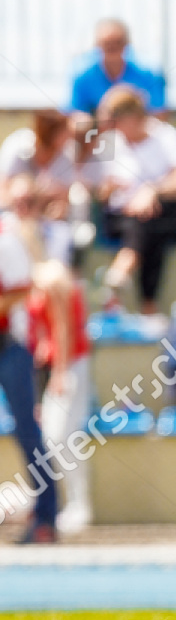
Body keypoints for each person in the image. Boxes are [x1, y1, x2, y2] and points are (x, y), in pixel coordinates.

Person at [94, 87, 176, 314]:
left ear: (133, 117)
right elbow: (101, 194)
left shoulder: (165, 136)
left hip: (161, 212)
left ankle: (120, 276)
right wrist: (110, 188)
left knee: (150, 219)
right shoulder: (109, 143)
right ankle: (148, 304)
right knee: (146, 222)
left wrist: (152, 191)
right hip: (123, 217)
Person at [0, 223, 58, 543]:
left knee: (27, 430)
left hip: (11, 346)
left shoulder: (6, 240)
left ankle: (46, 517)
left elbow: (22, 289)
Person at [26, 259, 92, 533]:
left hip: (69, 366)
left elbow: (63, 327)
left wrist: (61, 371)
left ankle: (79, 505)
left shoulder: (52, 277)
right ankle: (72, 504)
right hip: (57, 366)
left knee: (59, 437)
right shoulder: (43, 277)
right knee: (56, 437)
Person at [68, 18, 166, 118]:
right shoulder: (82, 76)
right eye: (107, 44)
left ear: (127, 43)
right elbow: (73, 114)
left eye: (118, 42)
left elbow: (159, 113)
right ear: (97, 44)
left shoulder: (149, 73)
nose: (112, 47)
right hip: (98, 130)